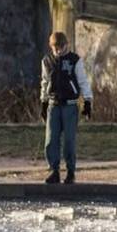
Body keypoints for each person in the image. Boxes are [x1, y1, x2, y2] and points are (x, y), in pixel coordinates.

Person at [41, 31, 93, 184]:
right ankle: (54, 170)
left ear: (66, 45)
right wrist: (43, 102)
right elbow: (44, 82)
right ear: (51, 47)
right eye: (55, 47)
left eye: (61, 46)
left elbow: (82, 81)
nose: (59, 50)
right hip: (53, 104)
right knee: (51, 140)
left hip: (70, 105)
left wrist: (87, 101)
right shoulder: (47, 61)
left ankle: (70, 171)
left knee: (69, 140)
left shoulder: (74, 60)